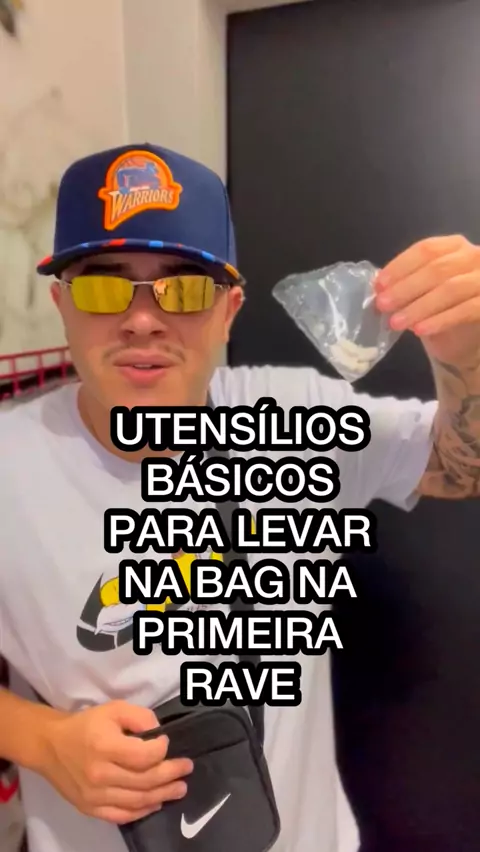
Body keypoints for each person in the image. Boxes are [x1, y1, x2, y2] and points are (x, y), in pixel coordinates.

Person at [0, 142, 479, 852]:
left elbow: (461, 466)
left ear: (229, 311)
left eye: (184, 289)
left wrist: (467, 352)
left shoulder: (300, 420)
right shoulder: (11, 464)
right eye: (103, 288)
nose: (142, 319)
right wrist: (40, 740)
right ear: (62, 305)